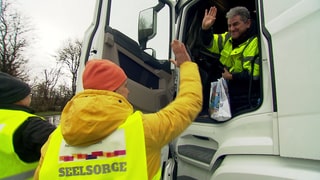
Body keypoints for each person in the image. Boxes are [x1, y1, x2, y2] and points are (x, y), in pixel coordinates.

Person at [34, 40, 202, 180]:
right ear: (113, 90)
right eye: (125, 86)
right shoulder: (143, 130)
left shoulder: (54, 140)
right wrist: (187, 65)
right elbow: (188, 103)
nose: (128, 91)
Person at [199, 6, 260, 116]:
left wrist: (232, 77)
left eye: (236, 24)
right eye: (229, 25)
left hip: (245, 94)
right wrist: (205, 29)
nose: (232, 29)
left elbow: (255, 76)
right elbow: (209, 43)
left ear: (248, 23)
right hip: (225, 87)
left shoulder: (256, 43)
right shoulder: (228, 38)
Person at [0, 72, 56, 179]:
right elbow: (65, 150)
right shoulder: (30, 125)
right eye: (28, 95)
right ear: (17, 98)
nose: (30, 98)